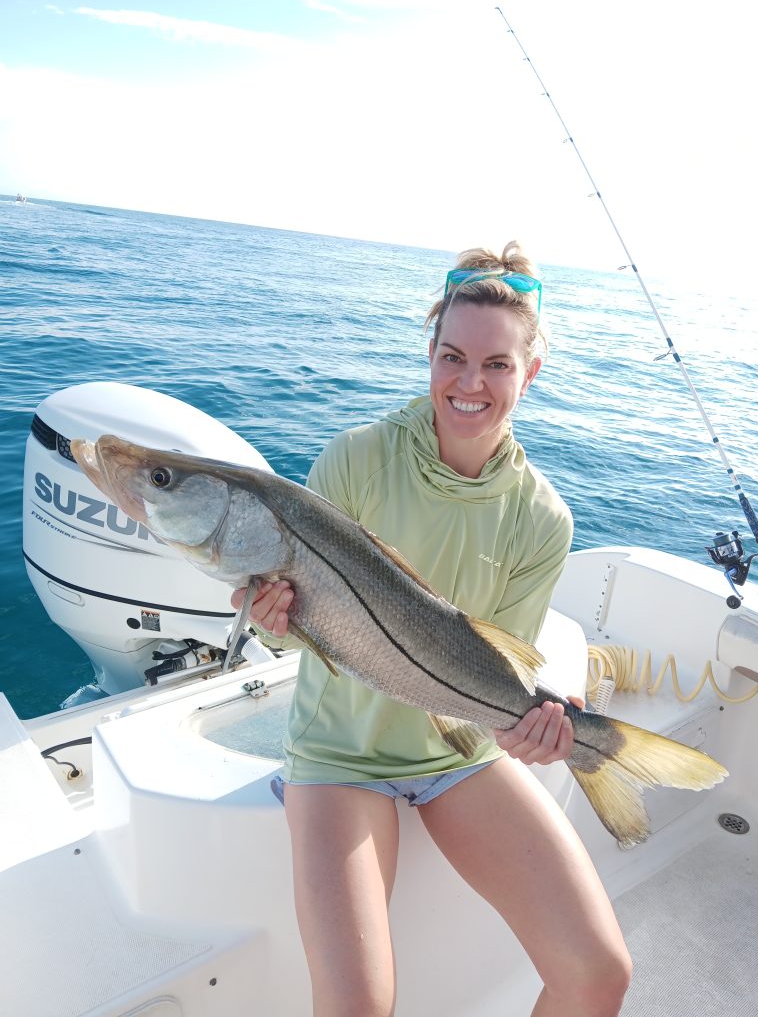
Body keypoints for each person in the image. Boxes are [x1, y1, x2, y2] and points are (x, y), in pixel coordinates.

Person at [232, 241, 632, 1016]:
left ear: (530, 373)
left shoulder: (542, 517)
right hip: (339, 756)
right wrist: (271, 618)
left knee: (598, 972)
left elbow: (495, 673)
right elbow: (294, 628)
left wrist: (533, 730)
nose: (469, 382)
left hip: (461, 756)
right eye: (452, 356)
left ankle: (601, 756)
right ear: (430, 354)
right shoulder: (355, 459)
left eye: (497, 364)